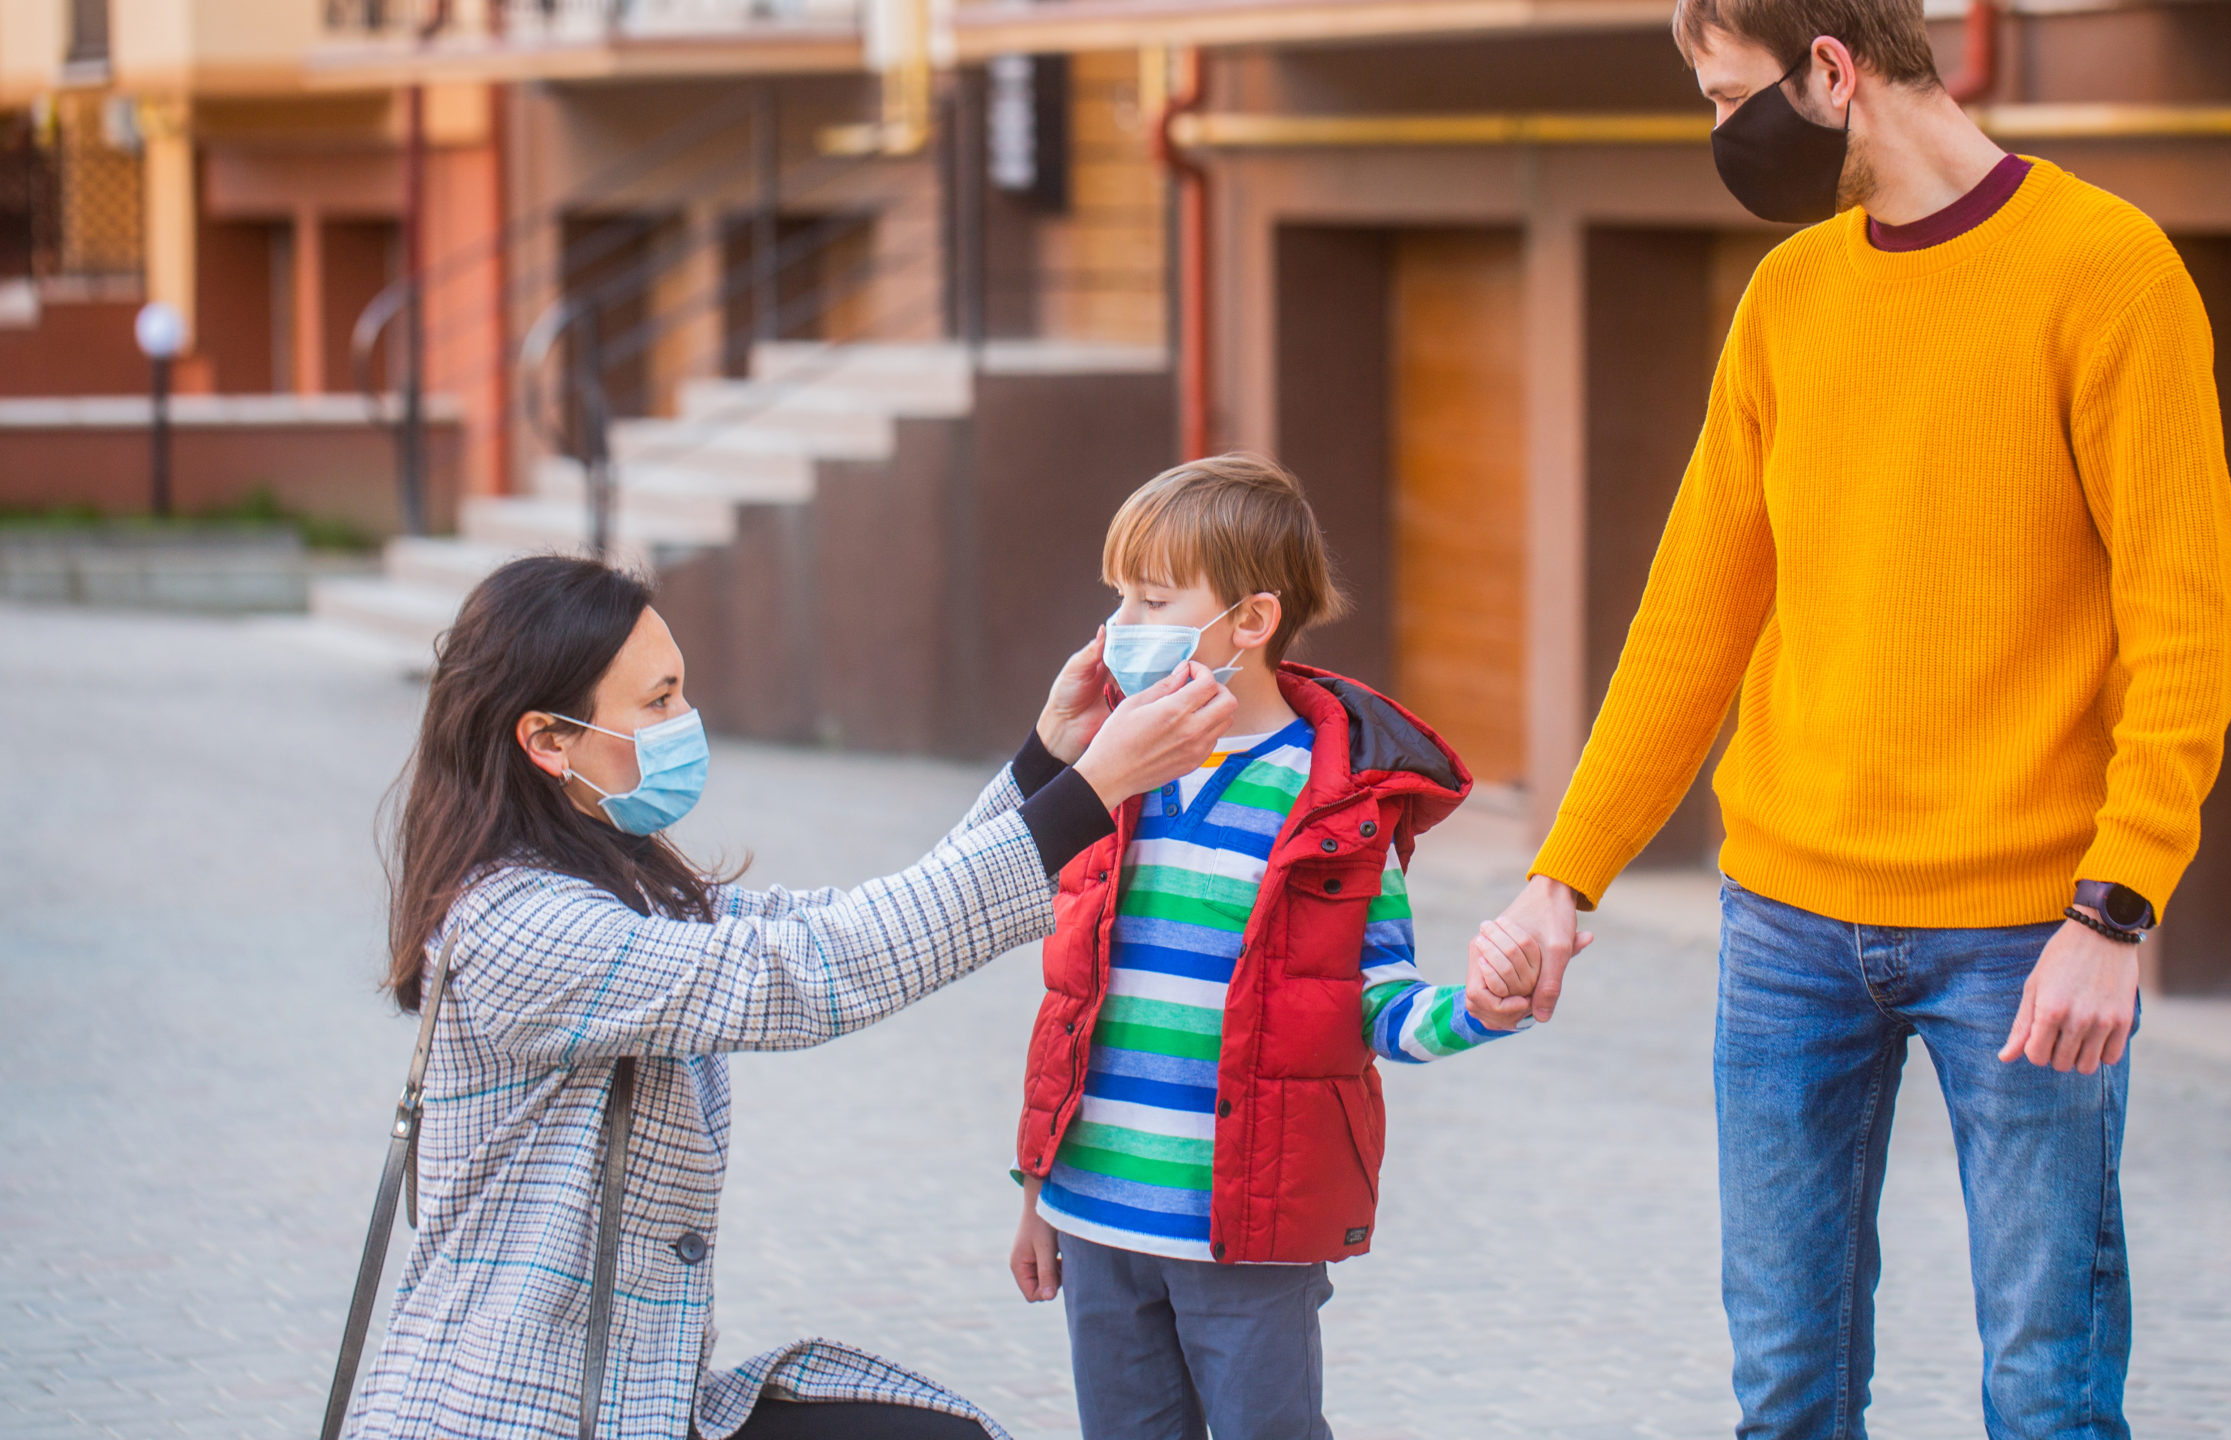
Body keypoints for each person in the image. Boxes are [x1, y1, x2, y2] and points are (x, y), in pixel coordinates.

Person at [1468, 1, 2231, 1436]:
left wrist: (2117, 912)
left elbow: (2193, 629)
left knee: (2048, 1390)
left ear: (1832, 71)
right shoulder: (1789, 300)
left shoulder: (2107, 273)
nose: (1720, 136)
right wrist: (1560, 875)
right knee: (1786, 1390)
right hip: (1786, 932)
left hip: (2027, 940)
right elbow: (1691, 624)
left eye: (1725, 96)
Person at [353, 554, 1235, 1439]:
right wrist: (1093, 794)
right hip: (511, 1411)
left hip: (630, 1400)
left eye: (682, 693)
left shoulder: (614, 885)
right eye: (657, 702)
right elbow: (810, 971)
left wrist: (1048, 759)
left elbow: (847, 921)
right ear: (548, 741)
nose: (686, 722)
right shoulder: (520, 926)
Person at [1006, 455, 1566, 1440]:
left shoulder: (1335, 811)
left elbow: (1376, 1006)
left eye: (1150, 601)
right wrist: (1036, 1191)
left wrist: (1479, 1009)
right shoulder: (1112, 777)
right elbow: (1068, 1000)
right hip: (1096, 1221)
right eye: (1116, 601)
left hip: (1247, 1237)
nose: (1117, 632)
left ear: (1251, 622)